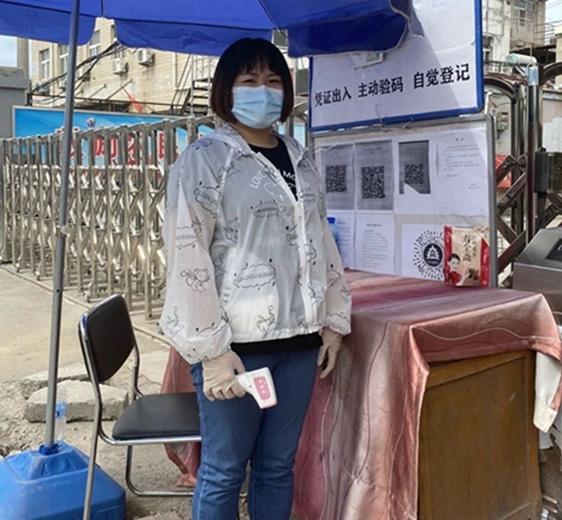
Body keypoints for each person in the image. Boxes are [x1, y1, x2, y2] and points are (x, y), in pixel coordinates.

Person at [160, 38, 352, 520]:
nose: (262, 90)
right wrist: (211, 351)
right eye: (249, 80)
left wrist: (333, 320)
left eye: (273, 80)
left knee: (278, 466)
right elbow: (187, 255)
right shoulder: (205, 159)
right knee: (224, 469)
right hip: (237, 349)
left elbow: (320, 240)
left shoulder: (299, 156)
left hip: (300, 343)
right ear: (226, 90)